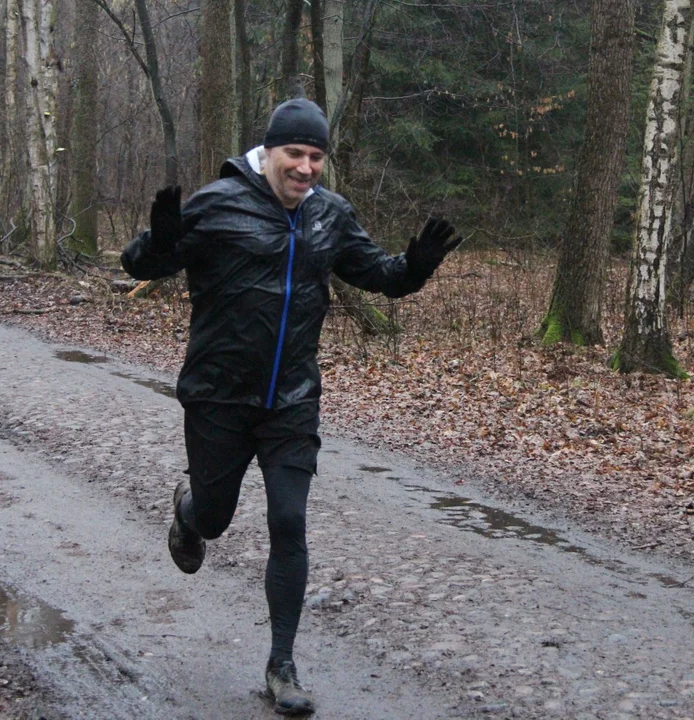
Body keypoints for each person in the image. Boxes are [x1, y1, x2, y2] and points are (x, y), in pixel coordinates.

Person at [120, 97, 462, 716]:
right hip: (219, 396)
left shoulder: (330, 215)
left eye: (315, 157)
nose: (306, 168)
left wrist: (415, 268)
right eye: (295, 154)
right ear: (268, 151)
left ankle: (282, 665)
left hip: (292, 401)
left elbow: (378, 274)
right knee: (217, 518)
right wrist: (161, 240)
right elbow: (143, 263)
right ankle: (190, 511)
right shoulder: (219, 202)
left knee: (288, 522)